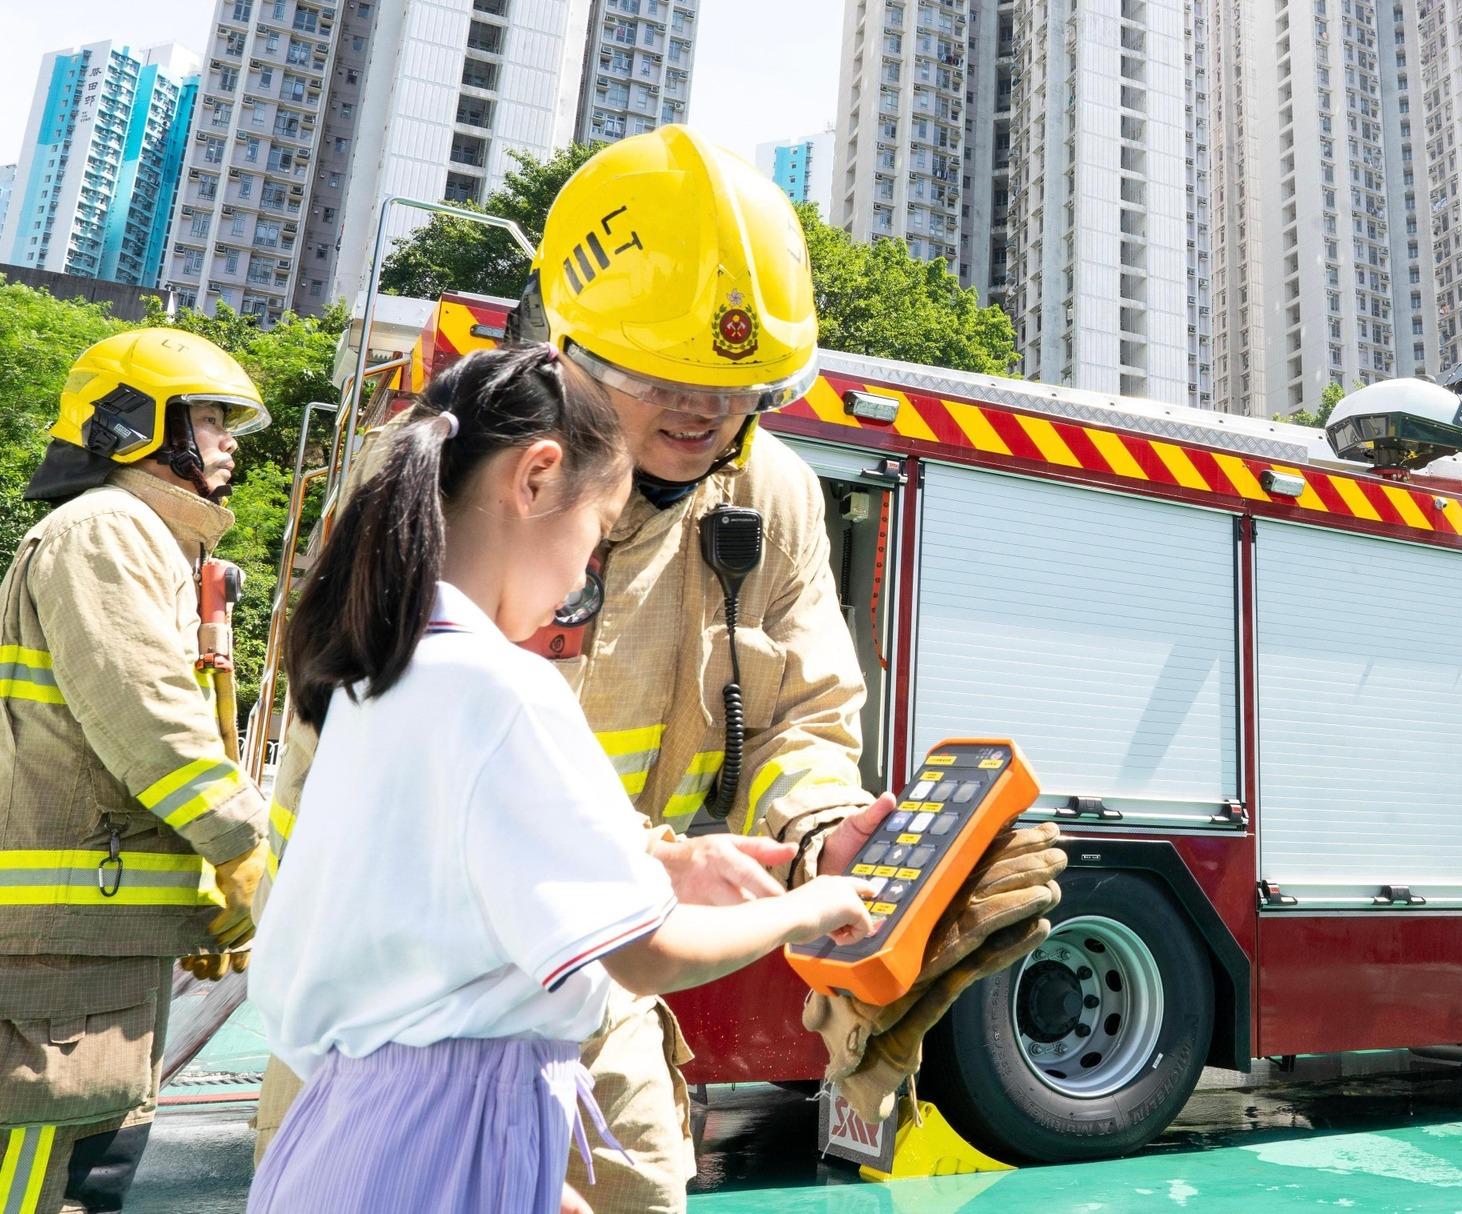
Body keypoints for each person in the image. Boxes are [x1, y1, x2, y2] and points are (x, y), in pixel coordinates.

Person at [254, 125, 891, 1211]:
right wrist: (765, 899)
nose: (705, 414)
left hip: (580, 983)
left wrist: (816, 830)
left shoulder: (770, 495)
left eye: (740, 389)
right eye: (666, 380)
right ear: (568, 353)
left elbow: (806, 714)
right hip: (402, 1001)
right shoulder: (433, 490)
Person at [0, 329, 272, 1214]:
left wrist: (196, 885)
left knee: (87, 1175)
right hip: (63, 945)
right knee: (40, 1179)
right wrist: (235, 839)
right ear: (135, 426)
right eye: (209, 418)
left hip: (96, 936)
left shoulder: (149, 540)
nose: (229, 441)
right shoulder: (105, 533)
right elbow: (146, 710)